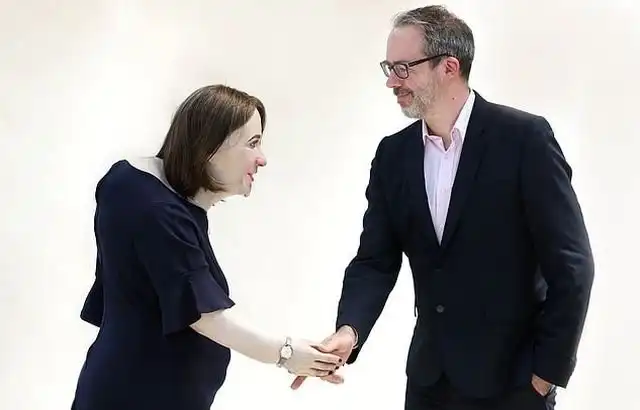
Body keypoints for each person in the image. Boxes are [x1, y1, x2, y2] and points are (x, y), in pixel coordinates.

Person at [292, 5, 594, 410]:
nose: (391, 81)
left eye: (403, 68)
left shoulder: (524, 140)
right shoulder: (393, 155)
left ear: (449, 66)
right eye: (389, 68)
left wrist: (548, 371)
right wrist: (350, 330)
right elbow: (375, 261)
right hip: (429, 382)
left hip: (515, 383)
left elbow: (571, 265)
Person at [70, 84, 342, 410]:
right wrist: (287, 353)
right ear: (210, 146)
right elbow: (205, 317)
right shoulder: (159, 212)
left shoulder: (132, 185)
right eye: (253, 143)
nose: (262, 159)